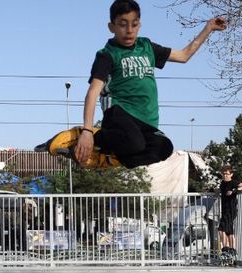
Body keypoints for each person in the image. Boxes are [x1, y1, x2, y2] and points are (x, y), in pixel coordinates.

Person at [75, 0, 227, 168]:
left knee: (163, 147)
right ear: (111, 27)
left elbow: (184, 56)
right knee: (135, 143)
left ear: (139, 25)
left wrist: (208, 28)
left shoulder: (147, 47)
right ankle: (94, 138)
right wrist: (87, 130)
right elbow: (93, 92)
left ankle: (112, 158)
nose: (129, 30)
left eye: (134, 24)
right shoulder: (107, 54)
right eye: (122, 25)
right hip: (119, 113)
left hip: (145, 120)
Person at [218, 165, 242, 254]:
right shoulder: (223, 183)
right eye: (223, 174)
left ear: (231, 174)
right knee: (229, 231)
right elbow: (221, 190)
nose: (225, 176)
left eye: (227, 174)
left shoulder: (233, 182)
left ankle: (225, 248)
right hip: (224, 210)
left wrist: (235, 190)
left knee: (221, 229)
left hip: (230, 210)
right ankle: (232, 250)